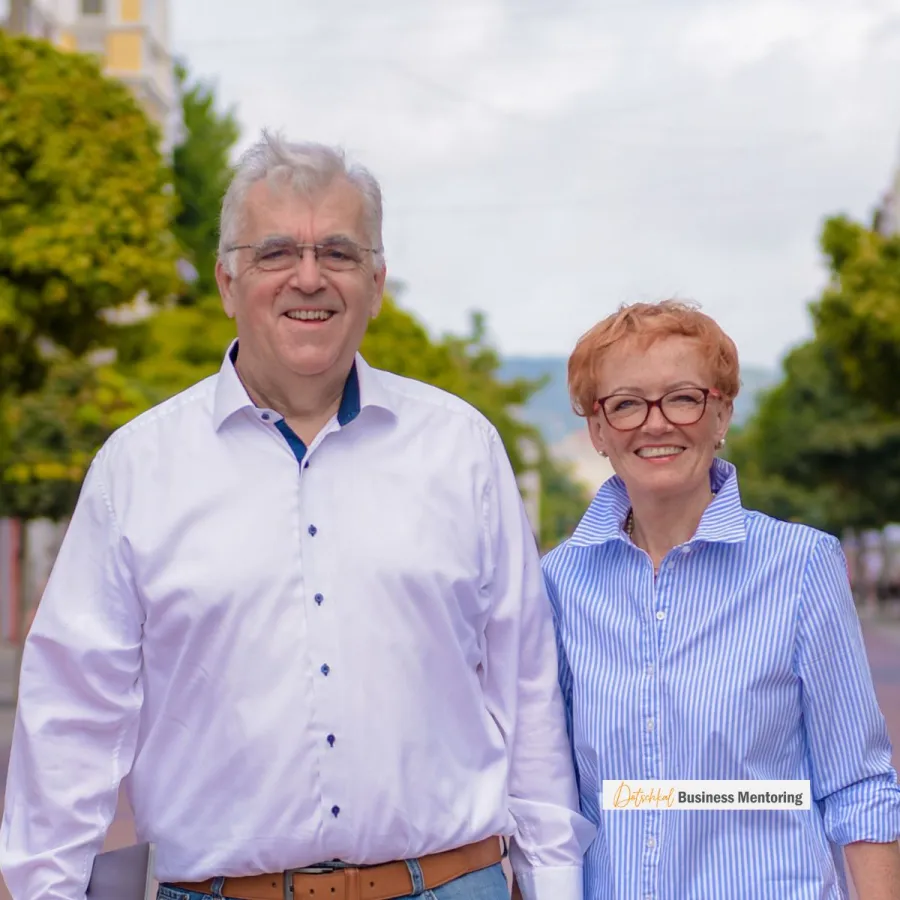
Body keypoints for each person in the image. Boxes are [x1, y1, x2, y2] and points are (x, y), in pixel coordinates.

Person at [0, 133, 595, 900]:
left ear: (376, 283)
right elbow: (73, 714)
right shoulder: (136, 468)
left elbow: (527, 694)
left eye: (339, 254)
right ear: (226, 280)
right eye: (275, 252)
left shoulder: (464, 451)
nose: (308, 278)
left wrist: (556, 886)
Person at [542, 300, 900, 899]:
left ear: (721, 413)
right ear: (598, 430)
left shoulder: (800, 566)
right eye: (626, 404)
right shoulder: (557, 582)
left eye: (683, 397)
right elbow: (547, 793)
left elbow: (858, 785)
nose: (655, 424)